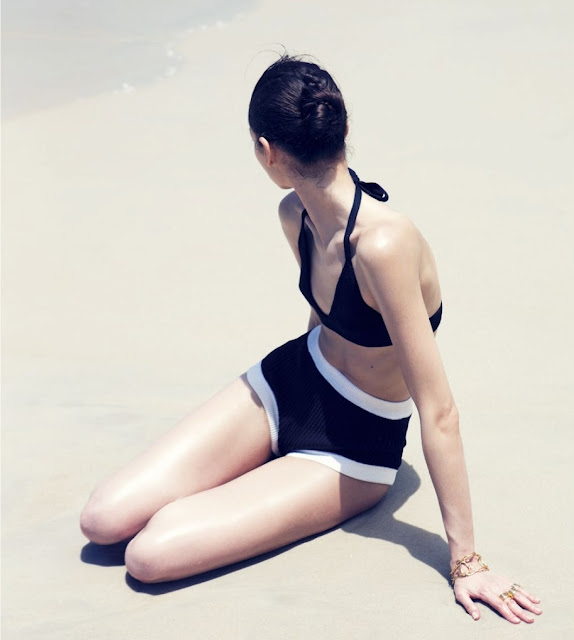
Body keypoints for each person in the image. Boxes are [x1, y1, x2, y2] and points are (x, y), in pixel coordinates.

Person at [80, 55, 542, 624]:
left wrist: (467, 561)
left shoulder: (385, 246)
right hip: (293, 381)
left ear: (266, 152)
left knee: (149, 555)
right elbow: (322, 320)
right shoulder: (292, 216)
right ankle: (266, 467)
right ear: (343, 129)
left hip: (354, 441)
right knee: (101, 521)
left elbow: (438, 410)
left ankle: (276, 478)